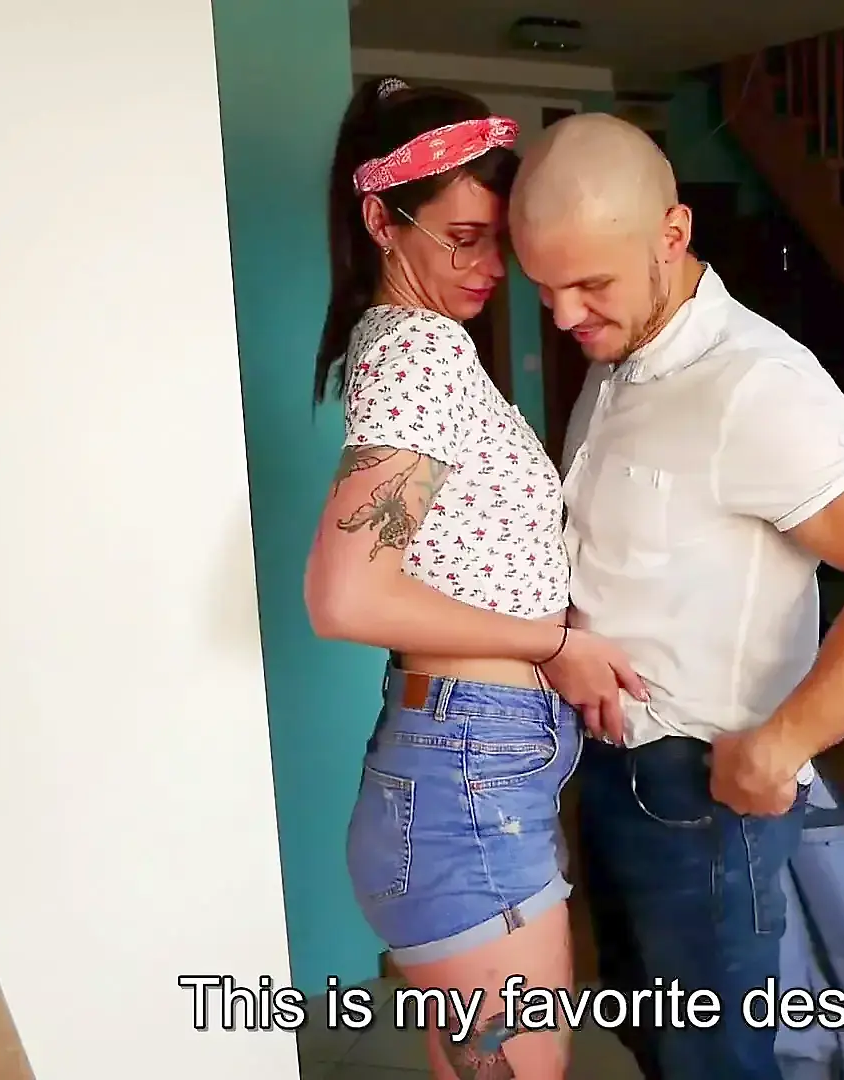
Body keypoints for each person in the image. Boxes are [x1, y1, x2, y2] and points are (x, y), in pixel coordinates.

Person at [508, 113, 844, 1080]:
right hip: (612, 770)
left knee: (718, 1058)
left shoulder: (756, 385)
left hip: (699, 789)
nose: (563, 316)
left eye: (590, 284)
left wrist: (783, 743)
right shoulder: (623, 358)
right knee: (649, 1031)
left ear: (672, 235)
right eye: (544, 289)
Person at [302, 77, 647, 1080]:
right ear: (382, 221)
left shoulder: (414, 346)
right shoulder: (418, 352)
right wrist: (556, 644)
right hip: (466, 781)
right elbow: (347, 596)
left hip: (465, 769)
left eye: (499, 241)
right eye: (461, 238)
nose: (489, 267)